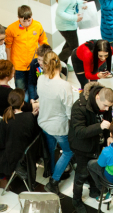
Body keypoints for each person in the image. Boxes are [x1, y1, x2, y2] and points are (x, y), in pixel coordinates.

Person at [68, 82, 113, 213]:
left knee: (96, 169)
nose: (106, 109)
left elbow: (108, 120)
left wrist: (108, 138)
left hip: (98, 144)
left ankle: (94, 189)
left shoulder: (106, 104)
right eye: (105, 105)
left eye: (109, 107)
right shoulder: (79, 107)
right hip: (82, 147)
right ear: (98, 97)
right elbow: (79, 132)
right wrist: (99, 127)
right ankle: (76, 199)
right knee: (81, 174)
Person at [38, 51, 75, 195]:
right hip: (59, 127)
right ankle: (54, 181)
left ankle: (53, 170)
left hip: (44, 122)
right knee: (68, 151)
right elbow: (69, 111)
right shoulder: (64, 86)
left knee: (52, 149)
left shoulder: (40, 79)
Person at [5, 5, 48, 101]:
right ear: (18, 18)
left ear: (32, 16)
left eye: (29, 20)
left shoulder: (38, 26)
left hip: (35, 64)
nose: (27, 23)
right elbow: (8, 47)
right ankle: (23, 109)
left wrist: (45, 56)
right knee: (21, 91)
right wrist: (9, 63)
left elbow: (43, 41)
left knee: (37, 86)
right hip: (19, 65)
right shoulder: (11, 28)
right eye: (24, 21)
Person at [0, 89, 39, 178]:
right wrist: (32, 116)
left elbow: (2, 143)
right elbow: (33, 134)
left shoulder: (5, 120)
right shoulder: (29, 117)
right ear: (22, 103)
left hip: (11, 156)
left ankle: (1, 178)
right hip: (27, 154)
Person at [55, 0, 84, 67]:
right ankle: (56, 63)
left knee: (69, 45)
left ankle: (62, 64)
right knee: (73, 47)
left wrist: (81, 3)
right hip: (66, 26)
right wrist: (74, 17)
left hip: (70, 24)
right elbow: (59, 12)